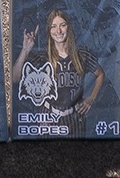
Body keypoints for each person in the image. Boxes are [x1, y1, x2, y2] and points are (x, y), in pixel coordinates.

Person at [13, 8, 105, 136]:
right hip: (48, 117)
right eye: (54, 26)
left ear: (69, 27)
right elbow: (15, 78)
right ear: (49, 31)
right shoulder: (43, 58)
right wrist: (25, 50)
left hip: (74, 117)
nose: (59, 31)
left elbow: (100, 74)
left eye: (62, 25)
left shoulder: (81, 55)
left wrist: (91, 98)